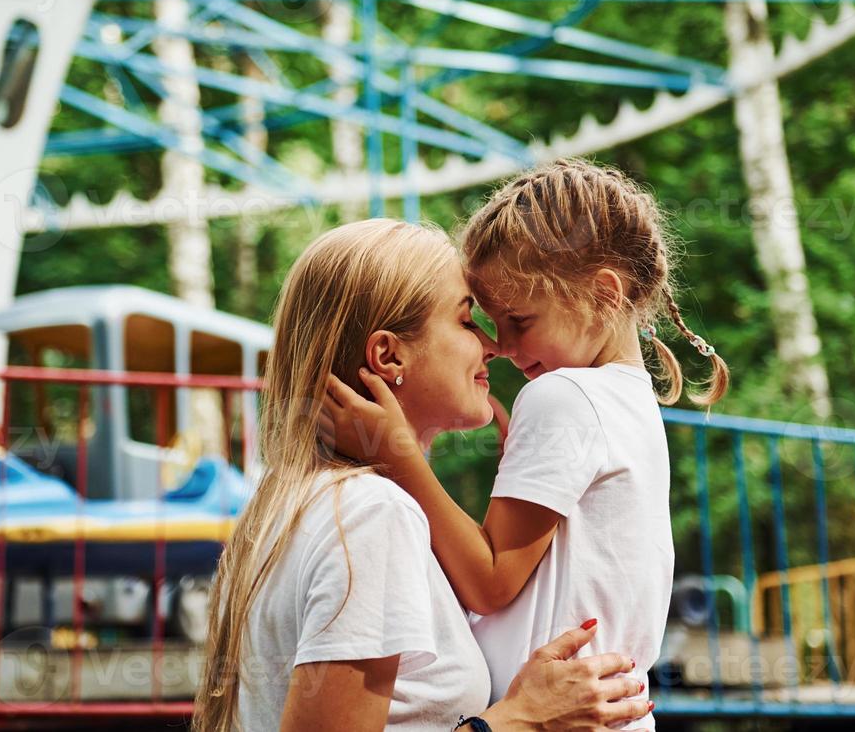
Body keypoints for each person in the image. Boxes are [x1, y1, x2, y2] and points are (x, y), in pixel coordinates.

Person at [193, 218, 652, 732]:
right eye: (465, 321)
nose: (494, 345)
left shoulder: (289, 510)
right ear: (389, 355)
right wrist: (518, 720)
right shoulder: (372, 516)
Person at [323, 159, 730, 728]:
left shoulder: (564, 396)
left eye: (518, 318)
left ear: (604, 295)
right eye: (488, 323)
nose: (503, 346)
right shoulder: (632, 403)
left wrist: (396, 453)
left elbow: (490, 584)